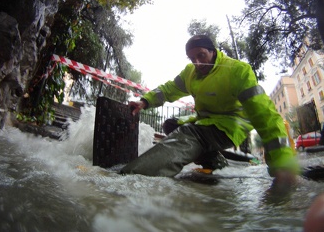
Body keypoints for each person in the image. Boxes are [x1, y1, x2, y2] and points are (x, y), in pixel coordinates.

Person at [120, 35, 299, 183]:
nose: (197, 63)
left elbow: (265, 115)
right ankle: (214, 160)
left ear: (213, 52)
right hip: (205, 122)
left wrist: (283, 164)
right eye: (192, 59)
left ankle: (133, 175)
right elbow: (168, 90)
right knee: (170, 125)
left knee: (189, 134)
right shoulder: (190, 72)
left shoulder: (238, 71)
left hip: (231, 125)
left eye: (202, 55)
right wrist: (144, 101)